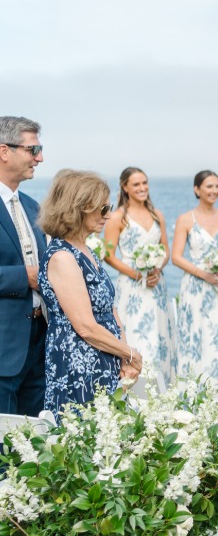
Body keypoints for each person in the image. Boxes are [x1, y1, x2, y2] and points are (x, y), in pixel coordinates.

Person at [37, 170, 141, 412]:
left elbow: (109, 308)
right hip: (79, 363)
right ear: (78, 209)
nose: (109, 215)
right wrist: (131, 353)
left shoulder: (86, 250)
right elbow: (84, 325)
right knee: (82, 437)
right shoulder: (62, 256)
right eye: (103, 209)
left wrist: (123, 358)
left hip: (105, 355)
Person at [172, 170, 218, 386]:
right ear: (197, 189)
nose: (214, 191)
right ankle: (199, 387)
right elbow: (176, 258)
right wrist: (204, 275)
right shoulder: (186, 219)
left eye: (217, 186)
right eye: (209, 186)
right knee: (200, 333)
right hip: (196, 286)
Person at [104, 167, 175, 388]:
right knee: (136, 331)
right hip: (132, 286)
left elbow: (165, 250)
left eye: (145, 183)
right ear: (125, 187)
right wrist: (136, 274)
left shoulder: (157, 215)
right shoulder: (118, 217)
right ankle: (135, 389)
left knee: (159, 334)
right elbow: (108, 255)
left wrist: (157, 269)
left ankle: (162, 390)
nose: (142, 188)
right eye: (136, 184)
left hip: (156, 286)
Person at [0, 117, 48, 415]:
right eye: (33, 149)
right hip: (4, 347)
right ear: (4, 151)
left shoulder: (32, 207)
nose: (40, 158)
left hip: (39, 344)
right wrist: (25, 277)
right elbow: (31, 275)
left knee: (35, 446)